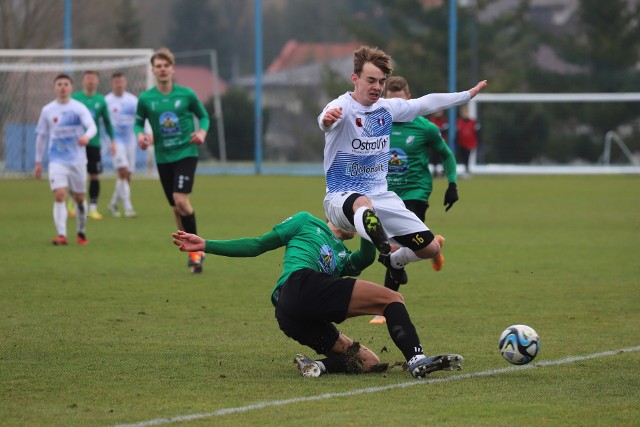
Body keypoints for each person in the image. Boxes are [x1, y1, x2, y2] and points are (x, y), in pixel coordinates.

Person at [171, 211, 464, 378]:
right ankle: (416, 359)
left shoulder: (345, 257)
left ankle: (317, 366)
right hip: (297, 287)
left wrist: (367, 219)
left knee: (368, 362)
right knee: (393, 299)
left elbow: (365, 254)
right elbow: (257, 245)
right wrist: (205, 244)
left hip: (293, 315)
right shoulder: (304, 222)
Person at [317, 45, 486, 293]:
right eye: (371, 80)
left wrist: (466, 95)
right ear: (355, 79)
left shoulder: (387, 109)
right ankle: (380, 241)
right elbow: (325, 120)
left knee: (431, 249)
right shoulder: (342, 107)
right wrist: (327, 120)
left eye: (381, 82)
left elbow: (425, 103)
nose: (377, 86)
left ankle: (395, 259)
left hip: (382, 199)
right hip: (341, 197)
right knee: (362, 204)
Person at [369, 76, 460, 325]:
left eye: (402, 101)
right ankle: (433, 247)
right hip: (385, 194)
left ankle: (384, 309)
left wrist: (451, 183)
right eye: (392, 101)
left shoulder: (425, 128)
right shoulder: (376, 125)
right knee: (390, 248)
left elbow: (446, 155)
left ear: (409, 99)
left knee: (395, 249)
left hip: (415, 193)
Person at [134, 47, 210, 273]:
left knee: (181, 200)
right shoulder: (147, 99)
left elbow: (204, 116)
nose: (162, 70)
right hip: (163, 157)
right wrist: (141, 135)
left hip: (186, 153)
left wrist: (202, 133)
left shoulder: (186, 94)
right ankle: (191, 250)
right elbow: (138, 123)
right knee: (176, 208)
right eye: (158, 66)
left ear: (172, 69)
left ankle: (197, 250)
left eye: (166, 66)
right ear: (153, 70)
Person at [34, 74, 97, 245]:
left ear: (71, 87)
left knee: (78, 197)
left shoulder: (78, 107)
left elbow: (92, 126)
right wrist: (38, 161)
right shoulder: (47, 110)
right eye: (59, 84)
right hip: (57, 160)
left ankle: (81, 233)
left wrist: (86, 136)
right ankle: (61, 234)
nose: (62, 87)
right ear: (55, 88)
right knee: (60, 195)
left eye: (66, 84)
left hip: (77, 160)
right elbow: (41, 136)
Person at [71, 70, 115, 220]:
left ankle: (93, 209)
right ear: (83, 81)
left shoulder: (101, 100)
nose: (90, 81)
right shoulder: (75, 99)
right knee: (75, 175)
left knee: (94, 175)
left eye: (93, 79)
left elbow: (108, 122)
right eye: (87, 79)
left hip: (94, 143)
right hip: (76, 144)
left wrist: (112, 141)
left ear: (97, 82)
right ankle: (72, 205)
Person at [106, 72, 140, 218]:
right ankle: (128, 207)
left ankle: (113, 204)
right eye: (116, 82)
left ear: (125, 83)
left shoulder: (133, 100)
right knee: (123, 171)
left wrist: (146, 134)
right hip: (115, 141)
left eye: (121, 82)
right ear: (112, 84)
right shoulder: (106, 101)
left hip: (130, 140)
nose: (119, 84)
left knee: (127, 175)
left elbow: (141, 119)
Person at [456, 105, 481, 175]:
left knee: (468, 156)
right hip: (461, 143)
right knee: (463, 156)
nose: (465, 114)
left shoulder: (473, 122)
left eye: (466, 112)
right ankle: (465, 169)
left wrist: (478, 141)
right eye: (463, 112)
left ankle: (467, 169)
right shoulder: (459, 122)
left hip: (470, 143)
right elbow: (457, 132)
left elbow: (477, 132)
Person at [427, 110, 449, 177]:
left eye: (440, 111)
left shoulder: (445, 120)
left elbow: (445, 130)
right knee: (432, 158)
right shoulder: (431, 120)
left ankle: (441, 173)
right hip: (432, 142)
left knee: (440, 158)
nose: (439, 113)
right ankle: (433, 173)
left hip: (441, 142)